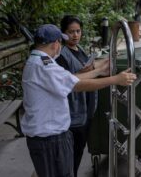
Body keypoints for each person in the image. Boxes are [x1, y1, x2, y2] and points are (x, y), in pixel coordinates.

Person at [21, 24, 136, 177]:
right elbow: (78, 85)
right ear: (56, 44)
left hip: (46, 137)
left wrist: (99, 71)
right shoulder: (44, 66)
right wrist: (115, 79)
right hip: (50, 139)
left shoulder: (37, 61)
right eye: (60, 43)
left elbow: (69, 79)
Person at [55, 15, 98, 176]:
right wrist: (83, 72)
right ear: (63, 33)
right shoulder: (62, 55)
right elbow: (65, 81)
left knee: (79, 150)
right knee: (72, 153)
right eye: (71, 32)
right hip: (74, 112)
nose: (75, 35)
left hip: (86, 109)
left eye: (78, 31)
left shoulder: (79, 49)